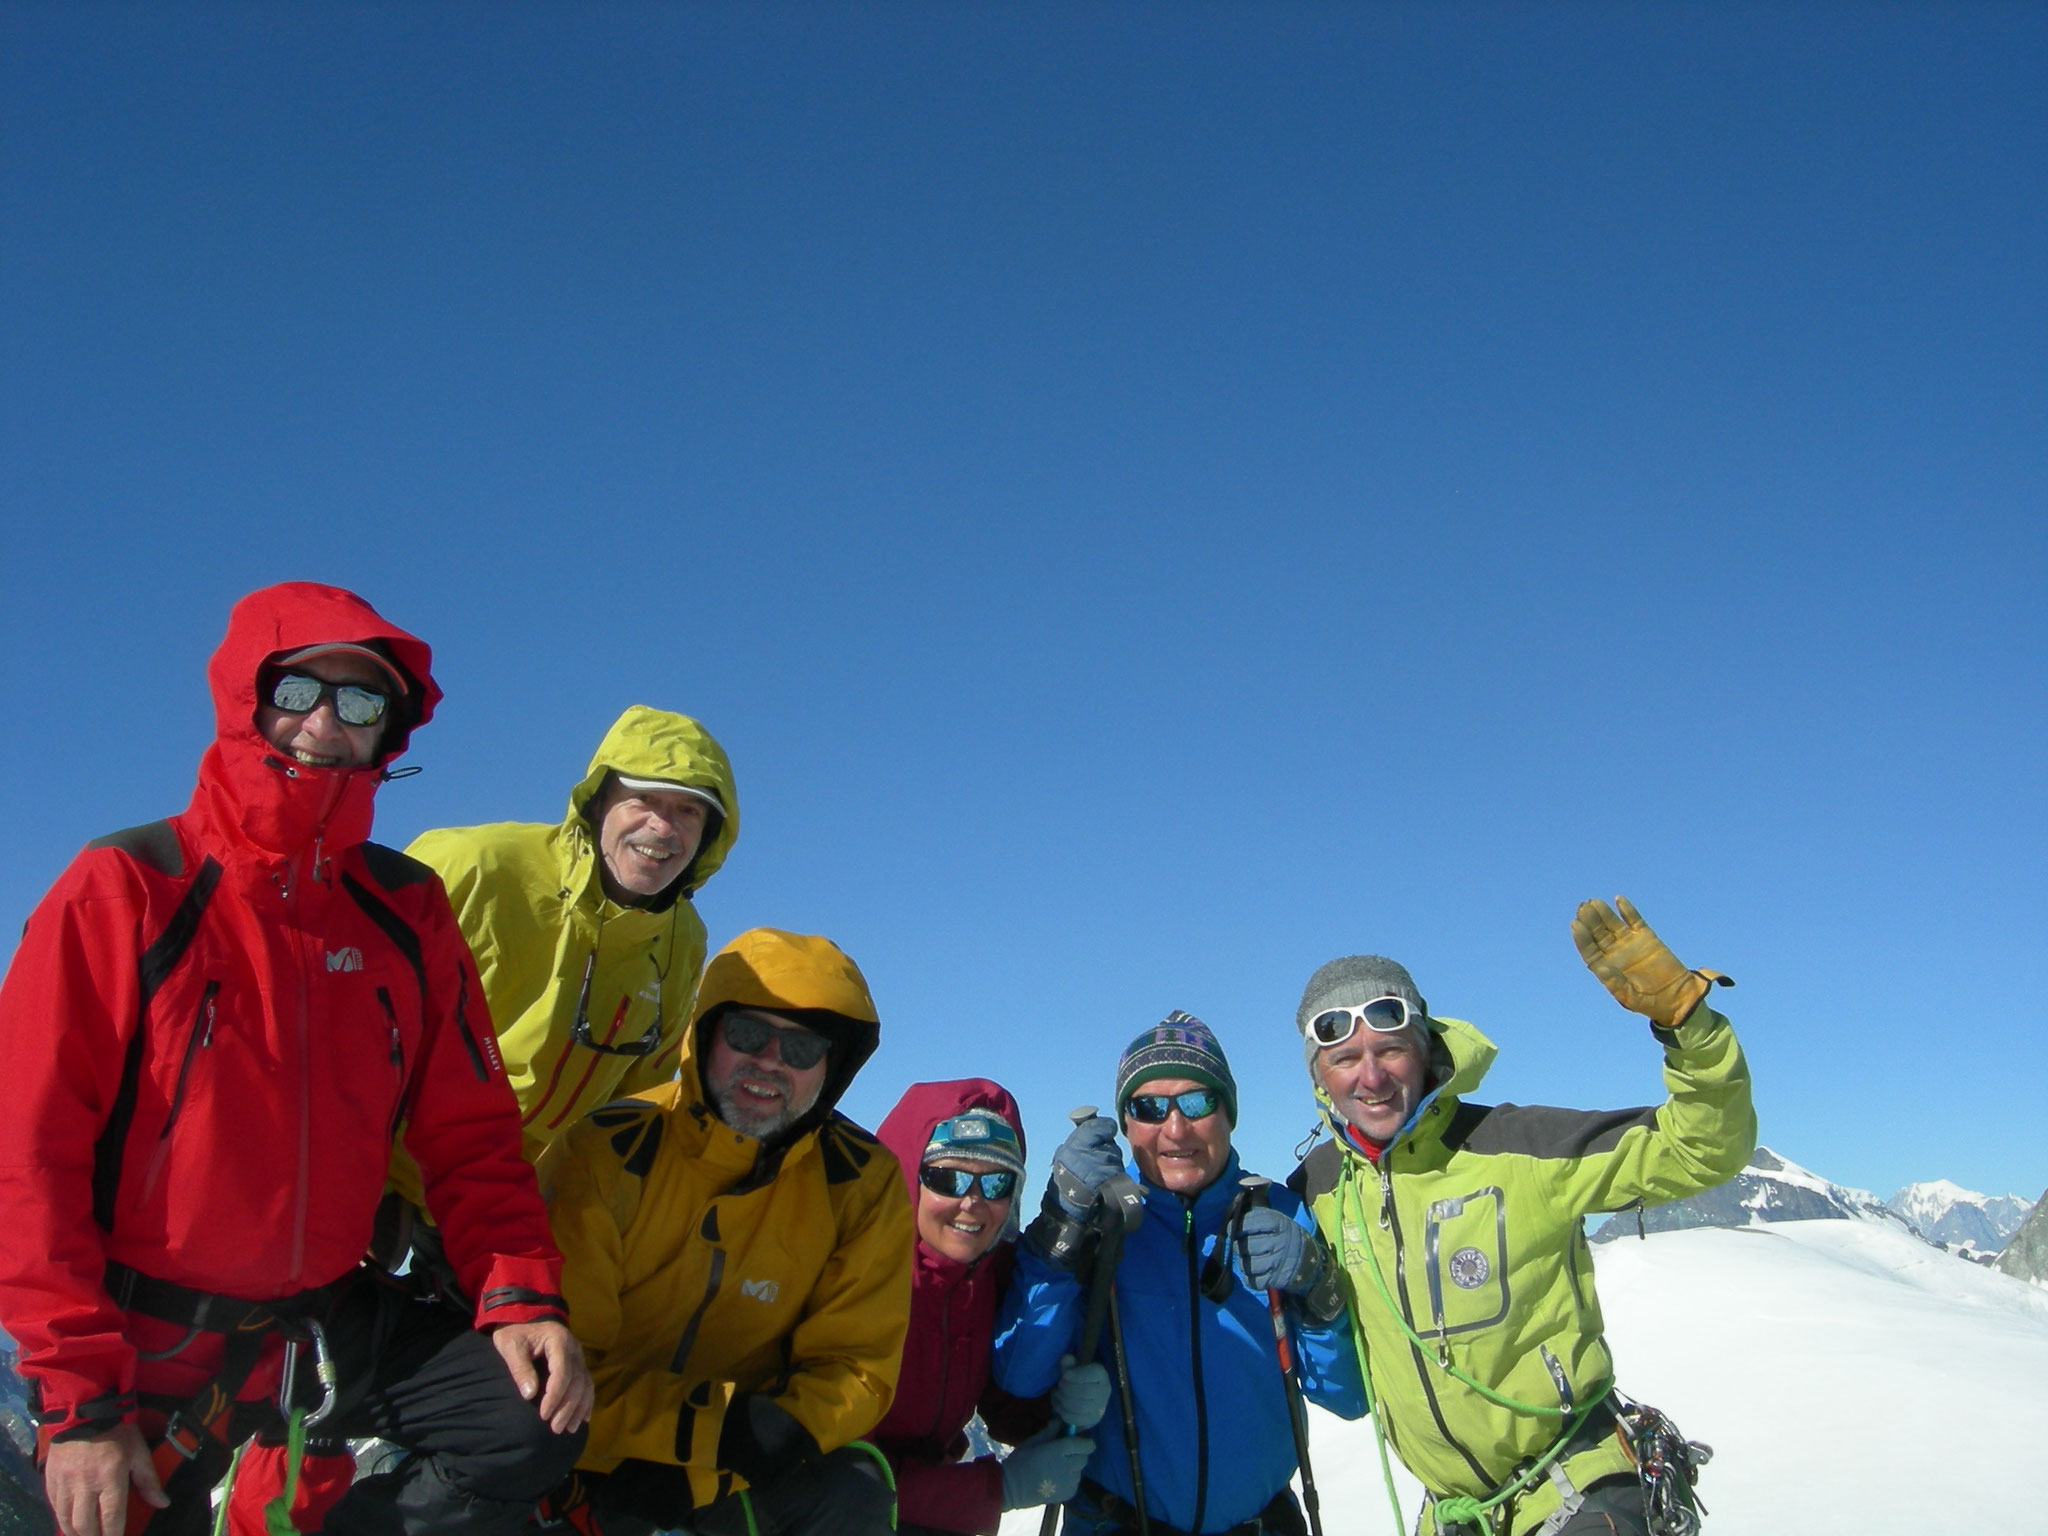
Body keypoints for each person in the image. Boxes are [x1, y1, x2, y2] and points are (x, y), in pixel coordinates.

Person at [0, 582, 591, 1536]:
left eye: (362, 703)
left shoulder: (408, 911)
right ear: (246, 695)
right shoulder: (124, 888)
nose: (327, 721)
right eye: (300, 689)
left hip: (317, 1327)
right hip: (145, 1340)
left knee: (527, 1420)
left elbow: (473, 1135)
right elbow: (25, 1158)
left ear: (386, 736)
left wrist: (519, 1294)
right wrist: (79, 1405)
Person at [1289, 898, 1756, 1536]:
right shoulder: (1316, 1189)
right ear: (1320, 1076)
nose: (1370, 1076)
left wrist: (1688, 1025)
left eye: (1391, 1050)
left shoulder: (1522, 1144)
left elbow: (1701, 1149)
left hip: (1577, 1487)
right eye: (1344, 1059)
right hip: (1456, 1517)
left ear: (1425, 1051)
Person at [540, 928, 914, 1536]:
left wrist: (719, 1460)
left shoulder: (859, 1183)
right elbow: (562, 1361)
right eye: (746, 1034)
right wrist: (699, 1434)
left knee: (853, 1487)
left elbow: (854, 1365)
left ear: (833, 1066)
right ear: (706, 1033)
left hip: (736, 1466)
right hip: (575, 1454)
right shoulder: (609, 1151)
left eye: (801, 1049)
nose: (769, 1060)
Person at [383, 705, 738, 1260]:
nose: (662, 828)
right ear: (599, 803)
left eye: (688, 811)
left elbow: (637, 1099)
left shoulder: (682, 941)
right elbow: (349, 1028)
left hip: (510, 1214)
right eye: (643, 799)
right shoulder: (472, 867)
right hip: (382, 1181)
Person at [993, 1014, 1365, 1536]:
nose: (1175, 1129)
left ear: (1228, 1113)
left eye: (1196, 1102)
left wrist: (1318, 1285)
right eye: (1148, 1108)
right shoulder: (1098, 1225)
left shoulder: (1282, 1214)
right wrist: (1060, 1223)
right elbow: (1020, 1374)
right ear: (1125, 1126)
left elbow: (1347, 1395)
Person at [870, 1081, 1110, 1536]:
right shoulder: (855, 1280)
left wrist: (1057, 1407)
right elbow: (831, 1476)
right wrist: (996, 1488)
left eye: (996, 1182)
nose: (973, 1201)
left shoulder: (983, 1280)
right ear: (907, 1175)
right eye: (948, 1178)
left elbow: (1005, 1412)